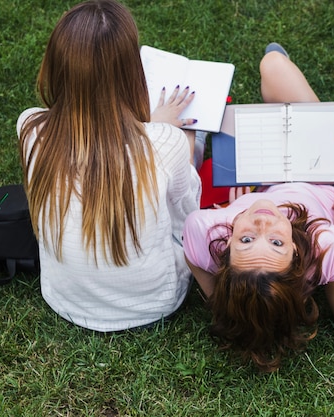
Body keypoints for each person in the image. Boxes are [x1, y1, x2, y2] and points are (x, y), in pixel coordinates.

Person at [17, 0, 202, 332]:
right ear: (131, 71)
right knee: (195, 143)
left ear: (56, 65)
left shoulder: (30, 127)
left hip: (64, 298)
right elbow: (188, 212)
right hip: (155, 302)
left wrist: (151, 130)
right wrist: (173, 133)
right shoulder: (164, 142)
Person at [183, 43, 334, 372]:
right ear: (297, 256)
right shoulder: (326, 244)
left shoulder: (203, 230)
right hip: (329, 178)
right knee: (274, 65)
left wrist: (237, 203)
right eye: (277, 243)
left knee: (272, 72)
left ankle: (279, 90)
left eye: (246, 240)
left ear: (224, 254)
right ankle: (285, 85)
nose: (261, 226)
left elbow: (218, 297)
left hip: (265, 177)